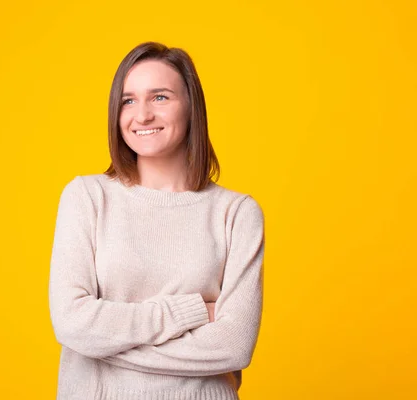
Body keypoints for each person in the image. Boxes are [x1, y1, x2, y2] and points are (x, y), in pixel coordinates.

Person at [48, 41, 265, 400]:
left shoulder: (236, 213)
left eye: (160, 97)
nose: (143, 115)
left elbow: (233, 346)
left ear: (192, 108)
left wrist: (103, 344)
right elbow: (72, 323)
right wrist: (192, 311)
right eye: (128, 101)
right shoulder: (87, 197)